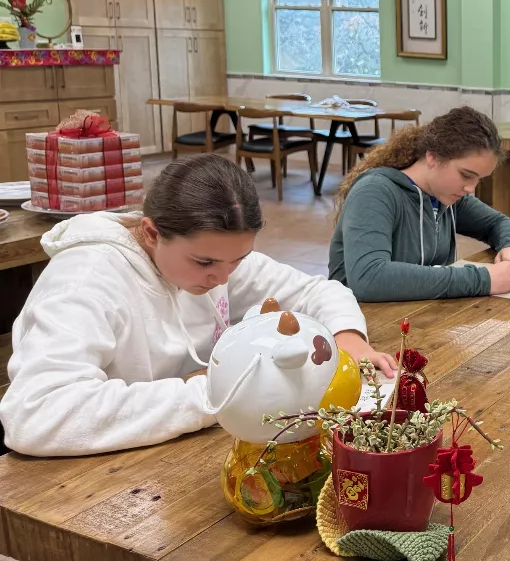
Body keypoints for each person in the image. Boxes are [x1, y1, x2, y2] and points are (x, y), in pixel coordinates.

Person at [0, 154, 391, 459]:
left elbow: (317, 291)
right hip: (96, 488)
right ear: (151, 233)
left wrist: (348, 337)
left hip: (180, 451)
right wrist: (217, 394)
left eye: (238, 260)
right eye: (205, 264)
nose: (222, 278)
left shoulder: (218, 256)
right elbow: (36, 415)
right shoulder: (84, 283)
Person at [329, 106, 510, 301]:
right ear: (432, 156)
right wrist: (482, 279)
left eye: (479, 179)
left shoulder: (446, 196)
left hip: (418, 319)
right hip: (362, 325)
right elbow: (369, 278)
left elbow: (498, 223)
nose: (471, 189)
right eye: (466, 175)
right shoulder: (374, 192)